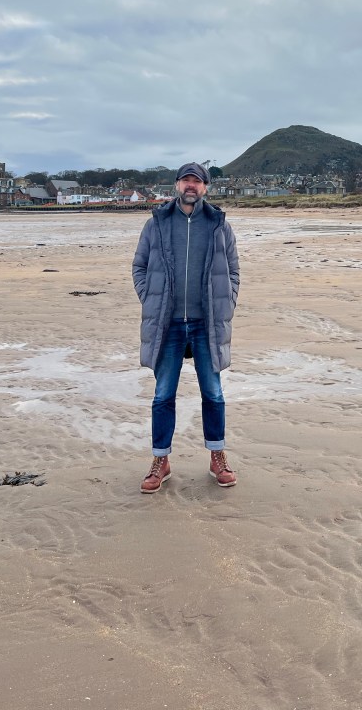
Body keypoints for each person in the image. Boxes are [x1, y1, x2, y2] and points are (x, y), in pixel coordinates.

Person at [132, 162, 240, 493]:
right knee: (163, 395)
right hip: (167, 323)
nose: (191, 186)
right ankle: (160, 461)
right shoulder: (157, 223)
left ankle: (217, 456)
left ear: (205, 187)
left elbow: (233, 270)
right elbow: (139, 266)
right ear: (177, 185)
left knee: (213, 393)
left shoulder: (219, 225)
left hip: (206, 323)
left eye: (197, 181)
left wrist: (228, 300)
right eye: (186, 180)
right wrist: (150, 298)